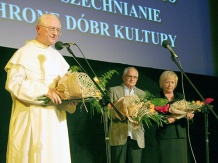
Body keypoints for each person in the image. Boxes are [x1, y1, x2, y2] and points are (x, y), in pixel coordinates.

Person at [5, 14, 76, 163]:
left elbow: (64, 87)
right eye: (51, 28)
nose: (55, 33)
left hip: (56, 121)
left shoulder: (58, 57)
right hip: (31, 117)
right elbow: (14, 84)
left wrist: (70, 98)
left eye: (58, 30)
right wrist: (45, 91)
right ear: (38, 29)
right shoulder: (24, 53)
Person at [108, 67, 146, 163]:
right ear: (123, 77)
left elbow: (146, 113)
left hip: (136, 136)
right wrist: (116, 114)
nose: (132, 79)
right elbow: (106, 110)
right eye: (129, 76)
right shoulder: (113, 91)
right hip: (118, 135)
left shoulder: (142, 94)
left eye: (135, 77)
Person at [156, 70, 194, 163]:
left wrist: (189, 117)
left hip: (180, 136)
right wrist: (166, 119)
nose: (170, 85)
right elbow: (154, 118)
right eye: (167, 82)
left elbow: (186, 116)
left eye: (172, 82)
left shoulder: (180, 97)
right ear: (162, 83)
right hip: (166, 136)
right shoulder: (157, 98)